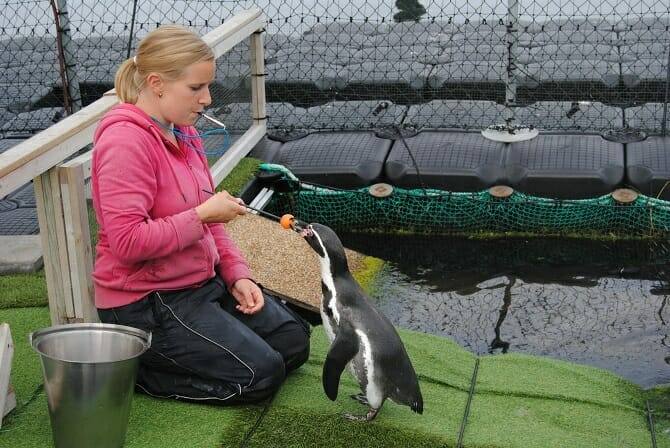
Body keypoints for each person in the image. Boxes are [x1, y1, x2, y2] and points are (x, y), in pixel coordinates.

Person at [91, 25, 310, 404]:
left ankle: (208, 346)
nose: (207, 99)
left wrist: (236, 274)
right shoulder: (124, 142)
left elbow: (212, 220)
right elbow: (127, 243)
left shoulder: (184, 132)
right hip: (148, 302)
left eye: (208, 86)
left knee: (295, 341)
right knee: (262, 375)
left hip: (199, 284)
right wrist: (201, 216)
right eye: (196, 88)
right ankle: (139, 374)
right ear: (157, 83)